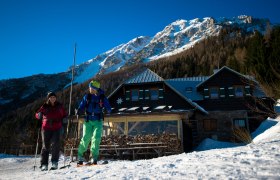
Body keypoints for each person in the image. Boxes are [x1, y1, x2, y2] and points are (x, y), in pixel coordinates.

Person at [76, 80, 111, 165]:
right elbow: (81, 105)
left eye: (91, 88)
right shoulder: (87, 96)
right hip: (88, 120)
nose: (90, 89)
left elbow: (109, 108)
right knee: (86, 138)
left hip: (98, 120)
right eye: (89, 87)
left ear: (95, 88)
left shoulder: (102, 98)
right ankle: (80, 156)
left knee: (96, 138)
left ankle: (94, 157)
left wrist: (107, 110)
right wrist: (79, 111)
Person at [35, 92, 67, 171]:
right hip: (46, 128)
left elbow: (64, 114)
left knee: (56, 145)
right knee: (45, 146)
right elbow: (37, 113)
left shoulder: (59, 106)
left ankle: (54, 162)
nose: (53, 98)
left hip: (57, 128)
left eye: (54, 97)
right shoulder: (44, 106)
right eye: (51, 97)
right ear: (48, 98)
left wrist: (65, 118)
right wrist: (38, 115)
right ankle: (44, 164)